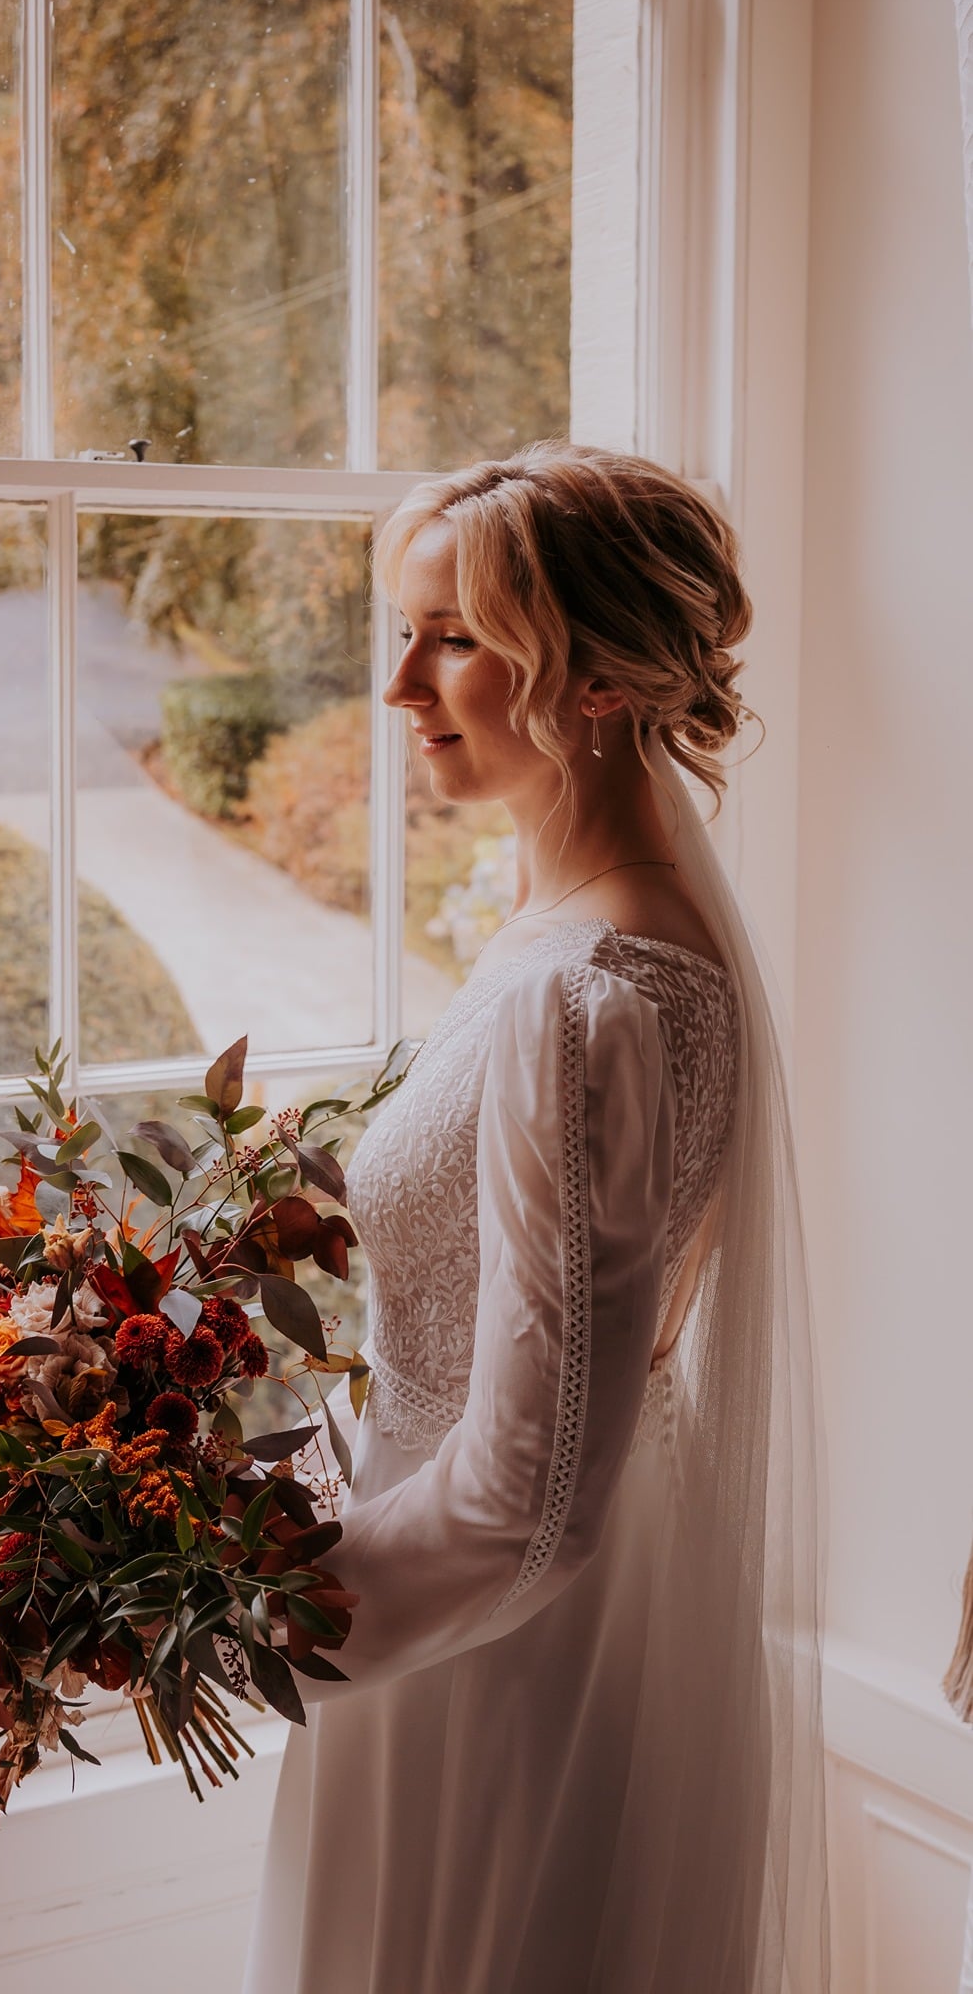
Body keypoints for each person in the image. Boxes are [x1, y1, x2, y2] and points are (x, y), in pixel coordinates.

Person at [240, 444, 831, 1993]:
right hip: (474, 1596)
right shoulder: (577, 929)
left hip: (481, 1644)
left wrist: (272, 1614)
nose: (397, 688)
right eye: (401, 629)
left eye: (449, 636)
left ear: (594, 682)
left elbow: (528, 1491)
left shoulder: (591, 993)